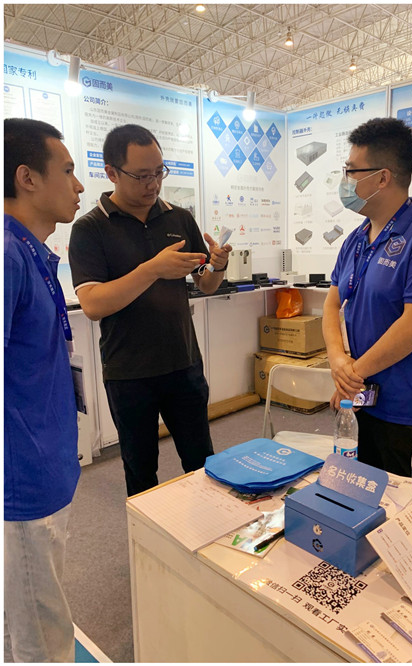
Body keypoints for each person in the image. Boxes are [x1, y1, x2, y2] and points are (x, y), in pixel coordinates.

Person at [69, 124, 230, 496]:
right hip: (129, 374)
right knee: (141, 473)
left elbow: (205, 283)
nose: (153, 184)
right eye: (142, 175)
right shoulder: (90, 229)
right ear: (112, 172)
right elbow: (92, 304)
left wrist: (218, 265)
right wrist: (151, 269)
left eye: (159, 172)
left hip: (184, 365)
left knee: (203, 463)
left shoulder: (179, 218)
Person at [322, 117, 412, 476]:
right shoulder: (357, 238)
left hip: (406, 410)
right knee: (356, 491)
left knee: (404, 505)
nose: (345, 181)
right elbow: (332, 304)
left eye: (351, 171)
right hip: (360, 399)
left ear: (382, 178)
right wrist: (338, 362)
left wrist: (351, 375)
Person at [4, 118, 84, 662]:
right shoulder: (8, 256)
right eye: (69, 170)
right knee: (41, 639)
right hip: (21, 483)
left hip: (43, 468)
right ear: (28, 178)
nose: (78, 186)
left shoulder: (32, 253)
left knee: (31, 618)